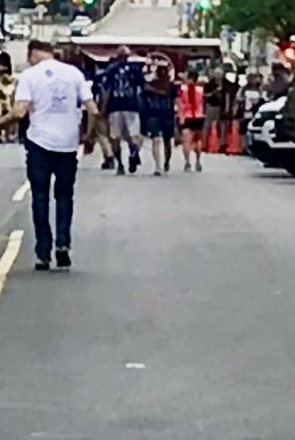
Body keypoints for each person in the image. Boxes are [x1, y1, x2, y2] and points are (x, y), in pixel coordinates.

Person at [12, 35, 94, 271]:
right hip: (68, 145)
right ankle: (63, 245)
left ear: (33, 54)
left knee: (40, 197)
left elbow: (19, 112)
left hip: (39, 143)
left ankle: (43, 252)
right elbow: (93, 109)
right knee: (65, 196)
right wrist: (87, 136)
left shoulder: (30, 76)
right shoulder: (75, 74)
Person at [98, 47, 145, 175]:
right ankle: (133, 152)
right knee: (134, 134)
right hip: (131, 105)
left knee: (115, 136)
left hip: (115, 106)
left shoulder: (111, 70)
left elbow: (106, 90)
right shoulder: (135, 70)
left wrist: (103, 108)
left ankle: (120, 165)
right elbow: (141, 89)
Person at [141, 64, 178, 176]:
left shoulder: (167, 86)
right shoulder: (170, 86)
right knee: (159, 140)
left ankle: (164, 163)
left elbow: (175, 100)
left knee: (163, 141)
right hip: (159, 115)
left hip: (162, 114)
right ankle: (159, 165)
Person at [176, 70, 205, 171]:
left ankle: (187, 162)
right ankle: (198, 161)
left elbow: (180, 104)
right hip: (199, 116)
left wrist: (180, 117)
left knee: (186, 141)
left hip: (187, 116)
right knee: (198, 140)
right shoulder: (200, 89)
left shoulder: (182, 89)